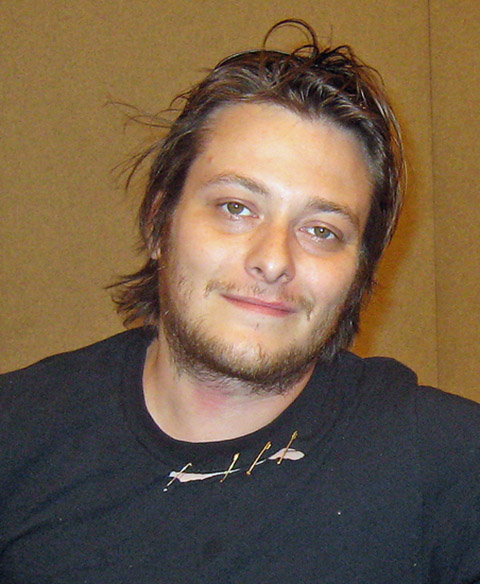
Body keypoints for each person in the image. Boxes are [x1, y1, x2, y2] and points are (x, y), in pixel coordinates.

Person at [1, 19, 479, 584]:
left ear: (359, 274)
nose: (273, 260)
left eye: (322, 230)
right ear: (158, 223)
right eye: (236, 208)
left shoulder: (451, 466)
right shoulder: (17, 435)